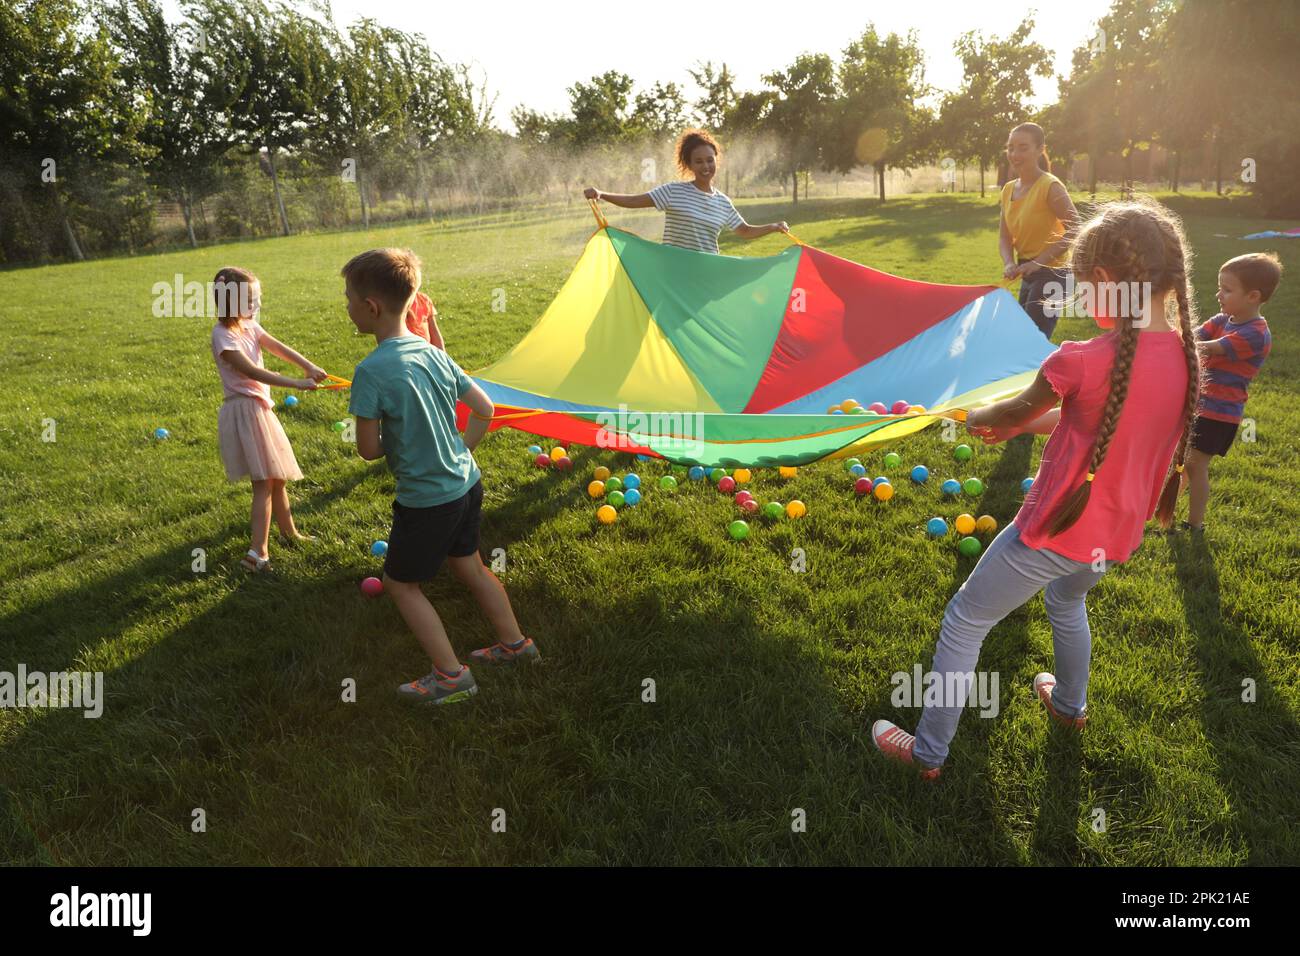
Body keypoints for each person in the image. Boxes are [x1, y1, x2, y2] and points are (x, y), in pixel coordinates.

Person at [872, 198, 1200, 779]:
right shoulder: (1185, 356)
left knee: (966, 620)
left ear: (1104, 281)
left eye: (1080, 283)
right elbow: (1092, 418)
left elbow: (1005, 411)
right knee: (1067, 600)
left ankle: (926, 755)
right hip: (1115, 534)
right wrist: (1015, 422)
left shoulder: (1080, 360)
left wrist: (970, 413)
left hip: (1052, 530)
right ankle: (1070, 707)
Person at [343, 248, 539, 704]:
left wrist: (400, 435)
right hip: (467, 483)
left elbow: (369, 450)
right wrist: (460, 448)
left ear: (371, 308)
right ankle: (516, 645)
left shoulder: (370, 372)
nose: (346, 306)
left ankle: (451, 677)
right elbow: (485, 409)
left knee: (400, 584)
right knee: (469, 564)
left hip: (426, 500)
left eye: (349, 298)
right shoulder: (433, 354)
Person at [209, 266, 326, 572]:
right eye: (252, 299)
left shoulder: (250, 326)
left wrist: (308, 366)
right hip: (246, 410)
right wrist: (296, 383)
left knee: (277, 477)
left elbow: (278, 347)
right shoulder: (222, 336)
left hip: (259, 409)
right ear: (232, 302)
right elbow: (251, 371)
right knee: (263, 482)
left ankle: (290, 533)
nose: (258, 304)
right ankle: (257, 553)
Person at [1180, 252, 1279, 532]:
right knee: (1184, 462)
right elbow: (1196, 334)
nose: (1219, 294)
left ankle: (1195, 524)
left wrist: (1172, 338)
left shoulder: (1256, 334)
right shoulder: (1223, 319)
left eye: (1227, 289)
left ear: (1253, 296)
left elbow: (1207, 346)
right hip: (1199, 405)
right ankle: (1165, 511)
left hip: (1220, 413)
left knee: (1196, 465)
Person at [583, 128, 788, 254]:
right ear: (689, 165)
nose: (705, 166)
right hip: (672, 271)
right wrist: (602, 194)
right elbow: (636, 201)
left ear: (716, 160)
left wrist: (773, 226)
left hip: (705, 274)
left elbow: (743, 230)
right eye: (698, 161)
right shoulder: (673, 191)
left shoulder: (723, 202)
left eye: (709, 160)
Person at [999, 122, 1081, 339]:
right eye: (1011, 147)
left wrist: (1038, 262)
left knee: (1030, 341)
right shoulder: (1008, 190)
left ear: (1040, 149)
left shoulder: (1050, 186)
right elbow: (1004, 236)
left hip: (1053, 273)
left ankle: (1045, 374)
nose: (1015, 154)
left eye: (1023, 148)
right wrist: (1009, 262)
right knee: (1024, 339)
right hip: (1028, 271)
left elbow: (1076, 229)